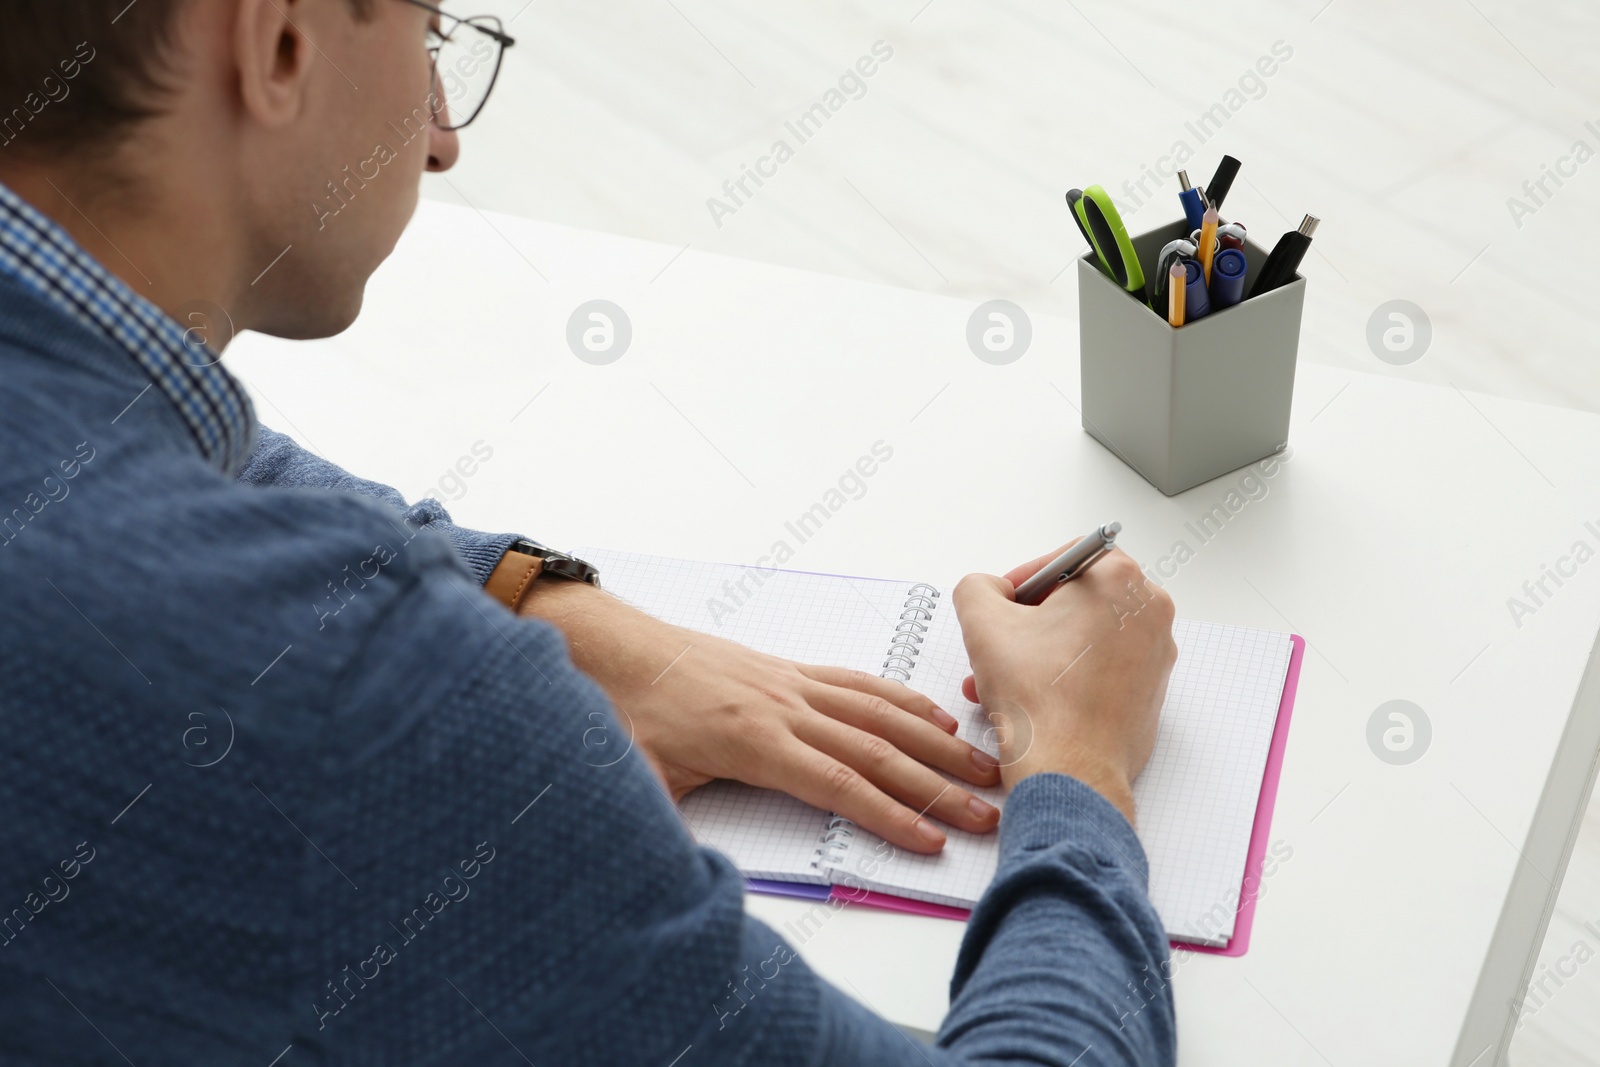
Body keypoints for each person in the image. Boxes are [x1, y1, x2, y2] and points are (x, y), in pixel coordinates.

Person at [0, 2, 1179, 1064]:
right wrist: (1078, 763)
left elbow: (140, 443)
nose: (441, 134)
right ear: (277, 41)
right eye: (428, 32)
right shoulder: (350, 698)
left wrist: (547, 603)